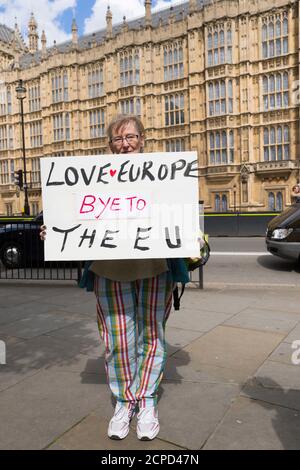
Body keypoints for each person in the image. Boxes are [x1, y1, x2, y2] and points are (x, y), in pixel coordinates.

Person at [40, 115, 189, 441]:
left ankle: (146, 400)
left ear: (143, 140)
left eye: (132, 137)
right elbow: (68, 213)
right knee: (119, 341)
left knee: (151, 336)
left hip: (154, 267)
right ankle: (124, 401)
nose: (126, 144)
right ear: (109, 145)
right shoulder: (91, 178)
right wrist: (52, 230)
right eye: (119, 139)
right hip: (109, 269)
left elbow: (180, 209)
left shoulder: (163, 173)